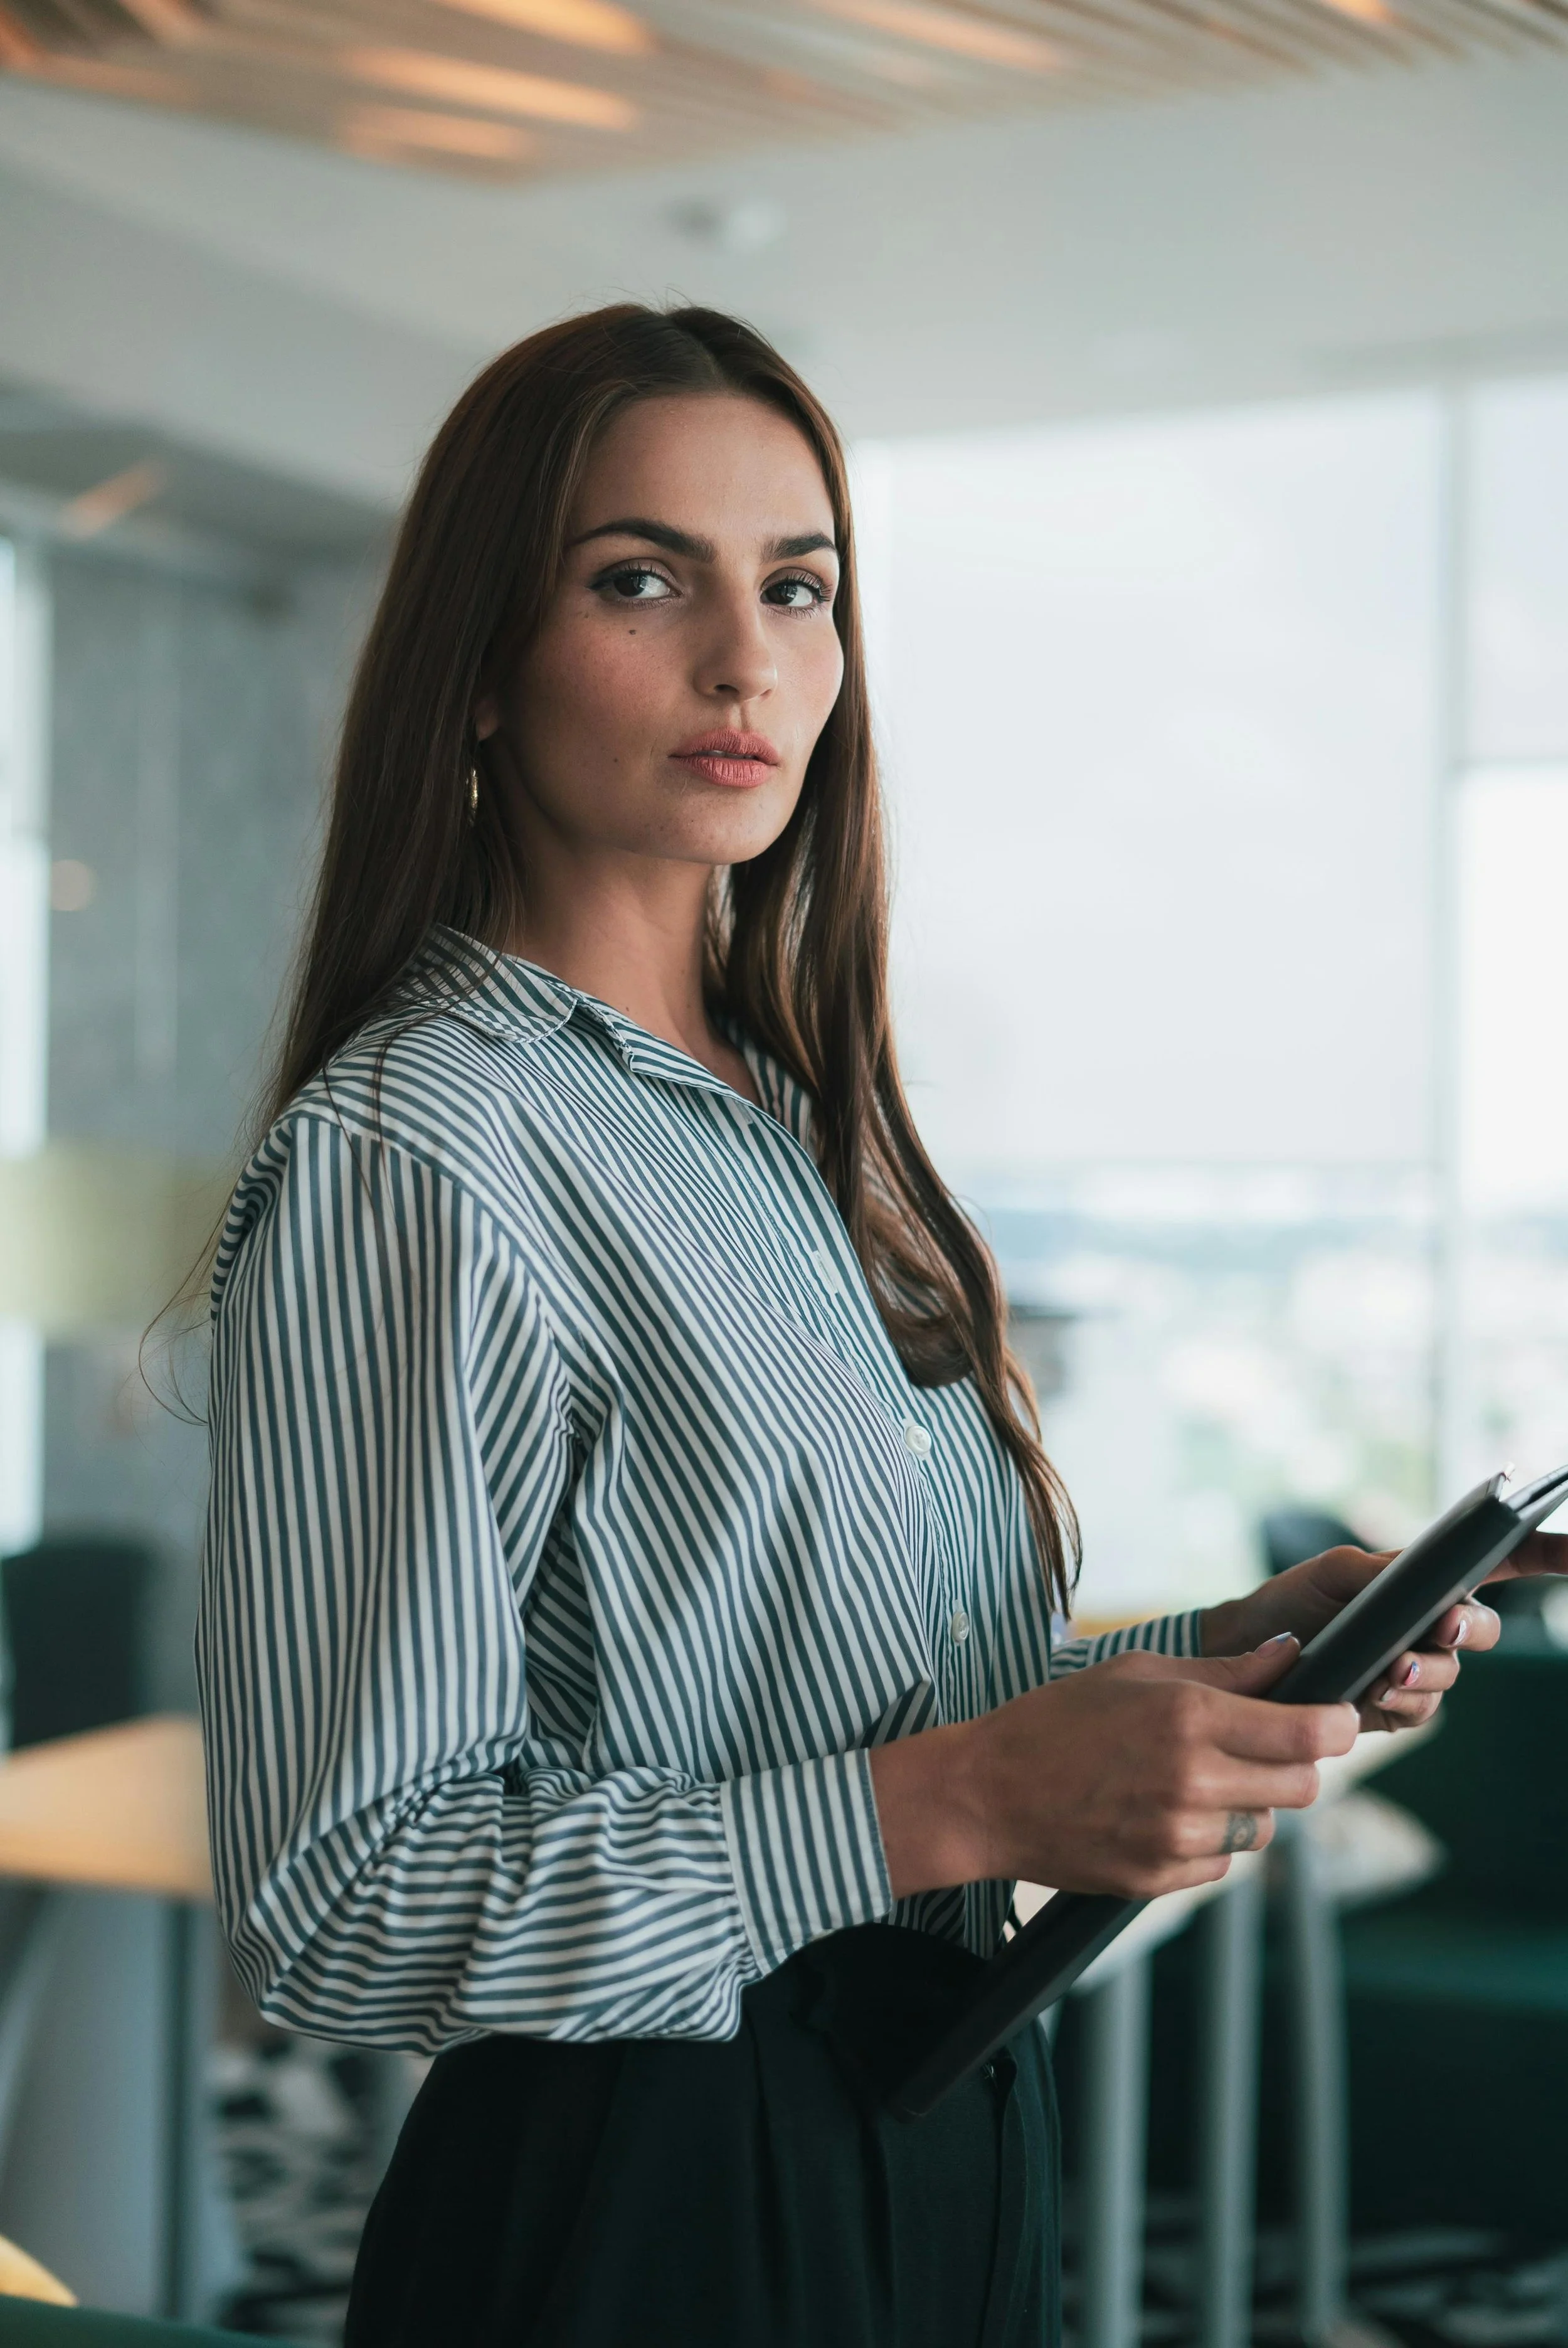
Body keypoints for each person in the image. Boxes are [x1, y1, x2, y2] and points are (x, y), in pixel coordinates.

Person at [196, 304, 1559, 2348]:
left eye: (800, 585)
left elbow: (849, 1701)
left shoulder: (790, 1112)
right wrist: (966, 1804)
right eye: (640, 578)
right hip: (639, 2196)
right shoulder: (425, 1146)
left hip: (930, 2114)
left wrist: (1223, 1662)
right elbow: (346, 1905)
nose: (746, 658)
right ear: (478, 665)